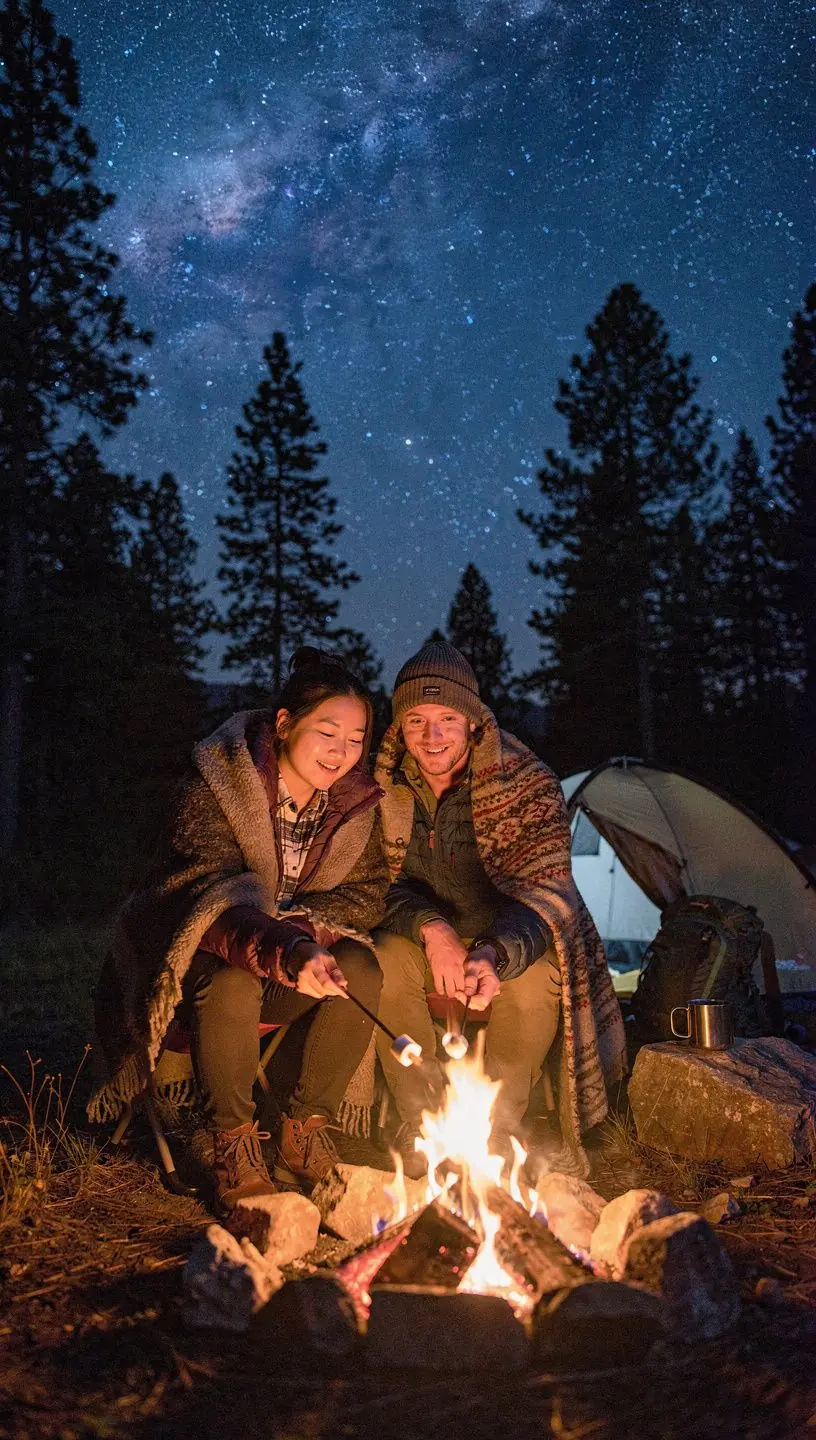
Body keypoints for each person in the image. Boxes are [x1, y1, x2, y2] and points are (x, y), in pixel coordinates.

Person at [89, 648, 388, 1214]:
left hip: (287, 958)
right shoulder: (217, 784)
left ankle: (303, 1131)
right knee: (233, 982)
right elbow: (207, 898)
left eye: (355, 739)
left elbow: (364, 896)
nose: (342, 753)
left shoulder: (353, 809)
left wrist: (301, 938)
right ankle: (234, 1142)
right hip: (179, 970)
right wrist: (289, 943)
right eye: (327, 732)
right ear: (283, 724)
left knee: (362, 968)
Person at [373, 641, 626, 1176]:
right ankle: (420, 1121)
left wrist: (492, 952)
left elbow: (547, 894)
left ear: (472, 720)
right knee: (383, 964)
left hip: (506, 942)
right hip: (420, 941)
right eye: (416, 719)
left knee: (536, 985)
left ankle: (498, 1131)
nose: (432, 736)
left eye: (446, 718)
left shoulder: (524, 780)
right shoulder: (380, 787)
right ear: (399, 726)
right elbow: (370, 886)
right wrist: (431, 928)